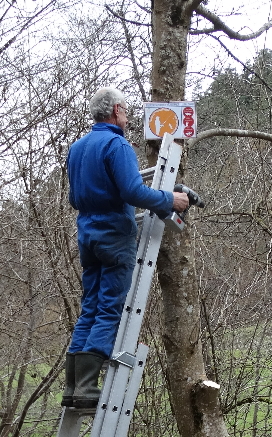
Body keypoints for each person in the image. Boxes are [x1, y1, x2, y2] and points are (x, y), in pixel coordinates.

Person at [63, 86, 190, 408]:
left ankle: (73, 388)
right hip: (114, 234)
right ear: (117, 110)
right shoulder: (115, 144)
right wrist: (169, 199)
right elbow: (133, 191)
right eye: (126, 110)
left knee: (89, 308)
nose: (129, 116)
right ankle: (88, 387)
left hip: (86, 234)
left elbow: (74, 198)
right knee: (108, 308)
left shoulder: (77, 148)